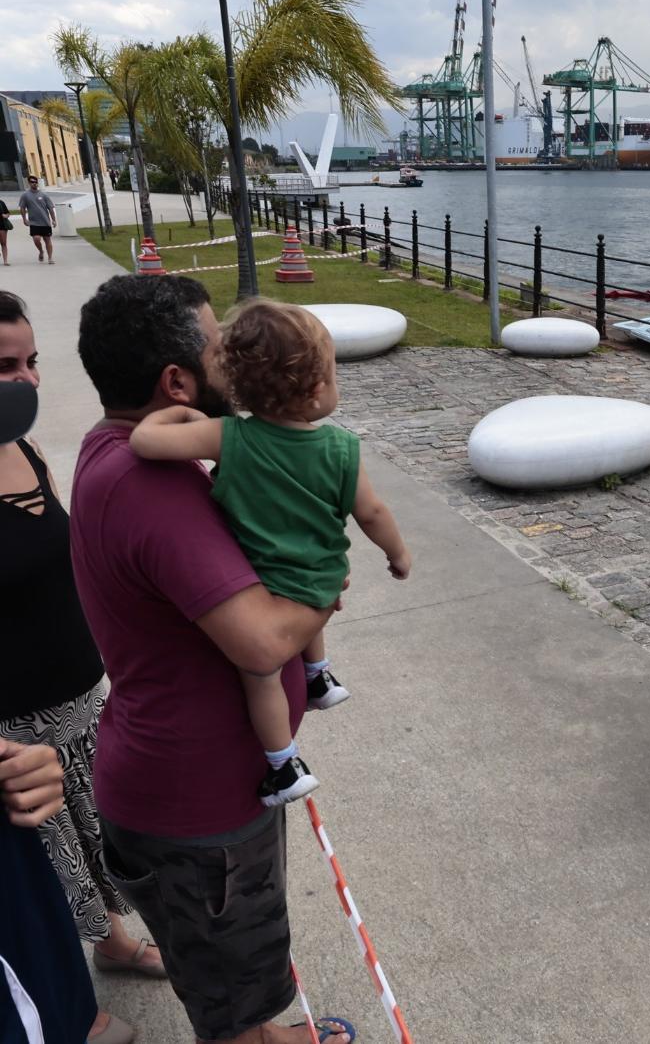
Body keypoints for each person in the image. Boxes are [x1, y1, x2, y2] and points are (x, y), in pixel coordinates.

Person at [71, 274, 355, 1044]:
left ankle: (264, 1032)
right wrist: (327, 586)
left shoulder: (126, 450)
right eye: (220, 346)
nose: (238, 358)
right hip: (197, 812)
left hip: (194, 789)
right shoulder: (149, 487)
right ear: (177, 380)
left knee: (238, 972)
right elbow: (263, 640)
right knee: (230, 989)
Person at [130, 298, 411, 806]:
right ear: (319, 387)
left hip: (265, 585)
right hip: (323, 578)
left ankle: (284, 765)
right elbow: (372, 514)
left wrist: (172, 414)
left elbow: (144, 443)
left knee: (259, 679)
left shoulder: (228, 438)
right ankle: (316, 678)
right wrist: (398, 556)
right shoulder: (342, 449)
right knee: (305, 593)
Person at [0, 378, 132, 1044]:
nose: (22, 378)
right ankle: (70, 1008)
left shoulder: (22, 444)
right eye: (2, 361)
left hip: (78, 694)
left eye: (30, 360)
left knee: (95, 835)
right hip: (13, 722)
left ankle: (114, 943)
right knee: (47, 864)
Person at [18, 177, 56, 265]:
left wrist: (54, 220)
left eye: (35, 182)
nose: (34, 183)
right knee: (36, 239)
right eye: (32, 182)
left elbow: (50, 208)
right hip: (34, 222)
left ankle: (50, 257)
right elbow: (22, 208)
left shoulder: (44, 195)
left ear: (37, 183)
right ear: (29, 183)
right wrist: (24, 219)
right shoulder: (25, 195)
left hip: (45, 222)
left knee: (47, 240)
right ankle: (41, 251)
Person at [0, 197, 11, 266]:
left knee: (3, 243)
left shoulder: (1, 202)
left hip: (2, 225)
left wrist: (5, 216)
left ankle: (5, 261)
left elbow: (8, 213)